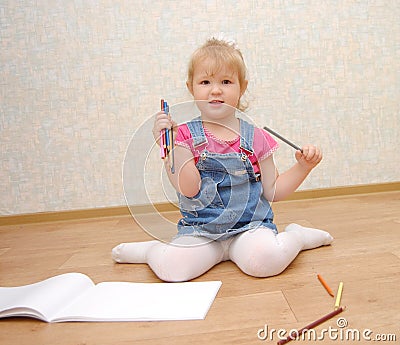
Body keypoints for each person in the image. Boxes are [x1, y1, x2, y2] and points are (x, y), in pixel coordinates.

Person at [112, 37, 333, 282]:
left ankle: (297, 236)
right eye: (205, 81)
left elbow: (272, 192)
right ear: (191, 87)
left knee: (266, 261)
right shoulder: (182, 136)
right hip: (201, 232)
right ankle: (150, 250)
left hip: (251, 228)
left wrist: (303, 167)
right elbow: (189, 188)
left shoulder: (256, 137)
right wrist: (170, 149)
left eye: (226, 82)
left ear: (242, 87)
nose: (215, 89)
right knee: (172, 269)